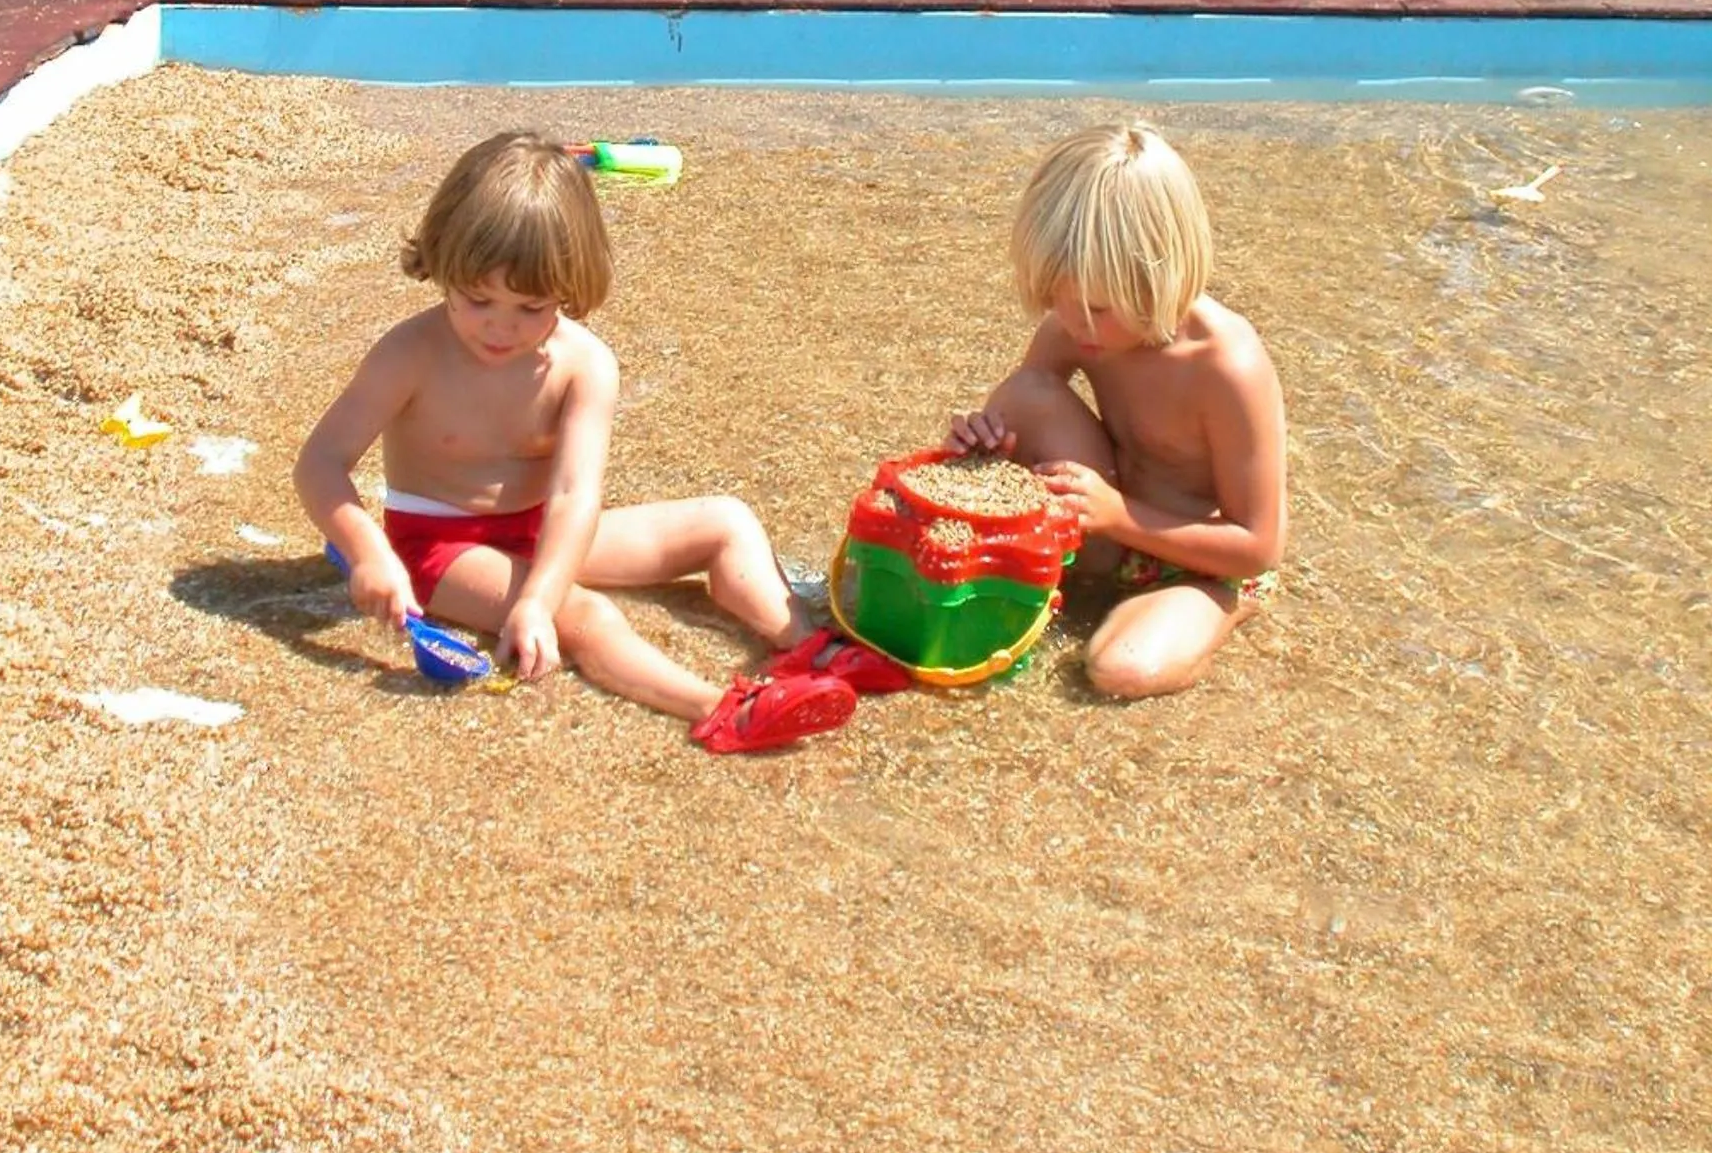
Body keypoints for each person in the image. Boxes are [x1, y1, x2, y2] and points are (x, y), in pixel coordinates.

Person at [292, 130, 878, 754]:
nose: (501, 325)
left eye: (531, 307)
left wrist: (539, 585)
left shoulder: (585, 364)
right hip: (441, 546)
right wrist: (371, 552)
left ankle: (808, 646)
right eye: (478, 299)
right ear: (442, 264)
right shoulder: (410, 355)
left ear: (569, 286)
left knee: (726, 521)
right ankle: (724, 710)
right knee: (587, 617)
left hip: (548, 527)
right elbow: (321, 463)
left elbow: (575, 496)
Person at [949, 121, 1286, 699]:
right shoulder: (1081, 324)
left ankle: (1208, 615)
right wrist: (990, 446)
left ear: (1160, 275)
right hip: (1108, 530)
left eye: (1097, 308)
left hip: (1205, 564)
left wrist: (1119, 515)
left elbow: (1259, 547)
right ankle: (1092, 580)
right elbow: (1025, 415)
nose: (1075, 324)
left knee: (1119, 668)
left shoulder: (1227, 366)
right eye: (1059, 300)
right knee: (1026, 393)